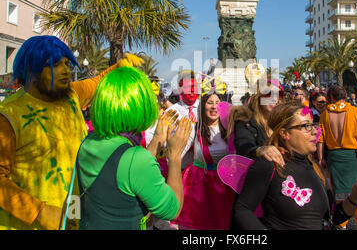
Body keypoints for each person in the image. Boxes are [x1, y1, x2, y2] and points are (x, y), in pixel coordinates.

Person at [0, 35, 143, 230]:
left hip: (72, 215)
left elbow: (97, 82)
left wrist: (119, 66)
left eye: (67, 64)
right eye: (54, 65)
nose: (65, 71)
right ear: (31, 69)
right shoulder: (9, 115)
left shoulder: (71, 95)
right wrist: (39, 211)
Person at [76, 67, 192, 230]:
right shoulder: (135, 158)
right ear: (141, 105)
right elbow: (172, 210)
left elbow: (127, 173)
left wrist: (157, 139)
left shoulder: (87, 142)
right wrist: (174, 156)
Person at [231, 101, 357, 230]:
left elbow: (333, 218)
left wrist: (354, 199)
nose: (315, 131)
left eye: (313, 125)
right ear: (285, 133)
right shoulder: (270, 164)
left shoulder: (314, 166)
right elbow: (242, 211)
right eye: (306, 126)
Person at [174, 92, 235, 230]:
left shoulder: (230, 129)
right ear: (202, 106)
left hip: (224, 186)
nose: (214, 107)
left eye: (217, 103)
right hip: (200, 186)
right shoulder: (193, 129)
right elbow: (177, 154)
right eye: (209, 103)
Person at [318, 85, 357, 229]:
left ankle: (341, 224)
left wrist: (321, 157)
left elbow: (320, 139)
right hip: (353, 156)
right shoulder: (356, 111)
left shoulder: (324, 114)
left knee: (339, 192)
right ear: (346, 95)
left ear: (331, 98)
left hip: (334, 158)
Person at [227, 82, 284, 165]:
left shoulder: (282, 121)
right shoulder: (245, 121)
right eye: (269, 94)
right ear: (259, 96)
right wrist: (260, 150)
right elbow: (244, 148)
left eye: (279, 94)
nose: (274, 99)